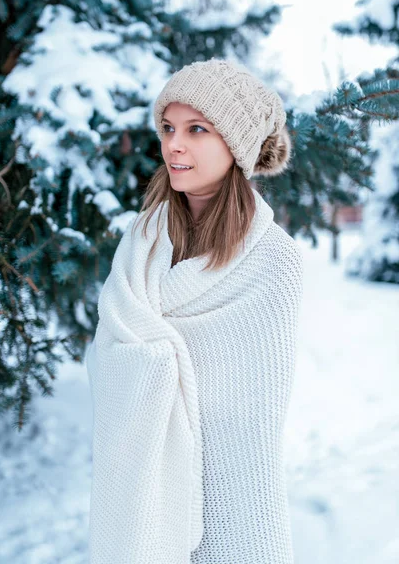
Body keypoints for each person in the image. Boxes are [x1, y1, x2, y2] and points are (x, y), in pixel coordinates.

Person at [85, 57, 304, 564]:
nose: (173, 145)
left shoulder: (274, 260)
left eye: (196, 129)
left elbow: (257, 420)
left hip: (237, 496)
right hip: (140, 491)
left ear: (236, 143)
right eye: (168, 128)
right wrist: (150, 364)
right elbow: (105, 357)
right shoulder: (140, 242)